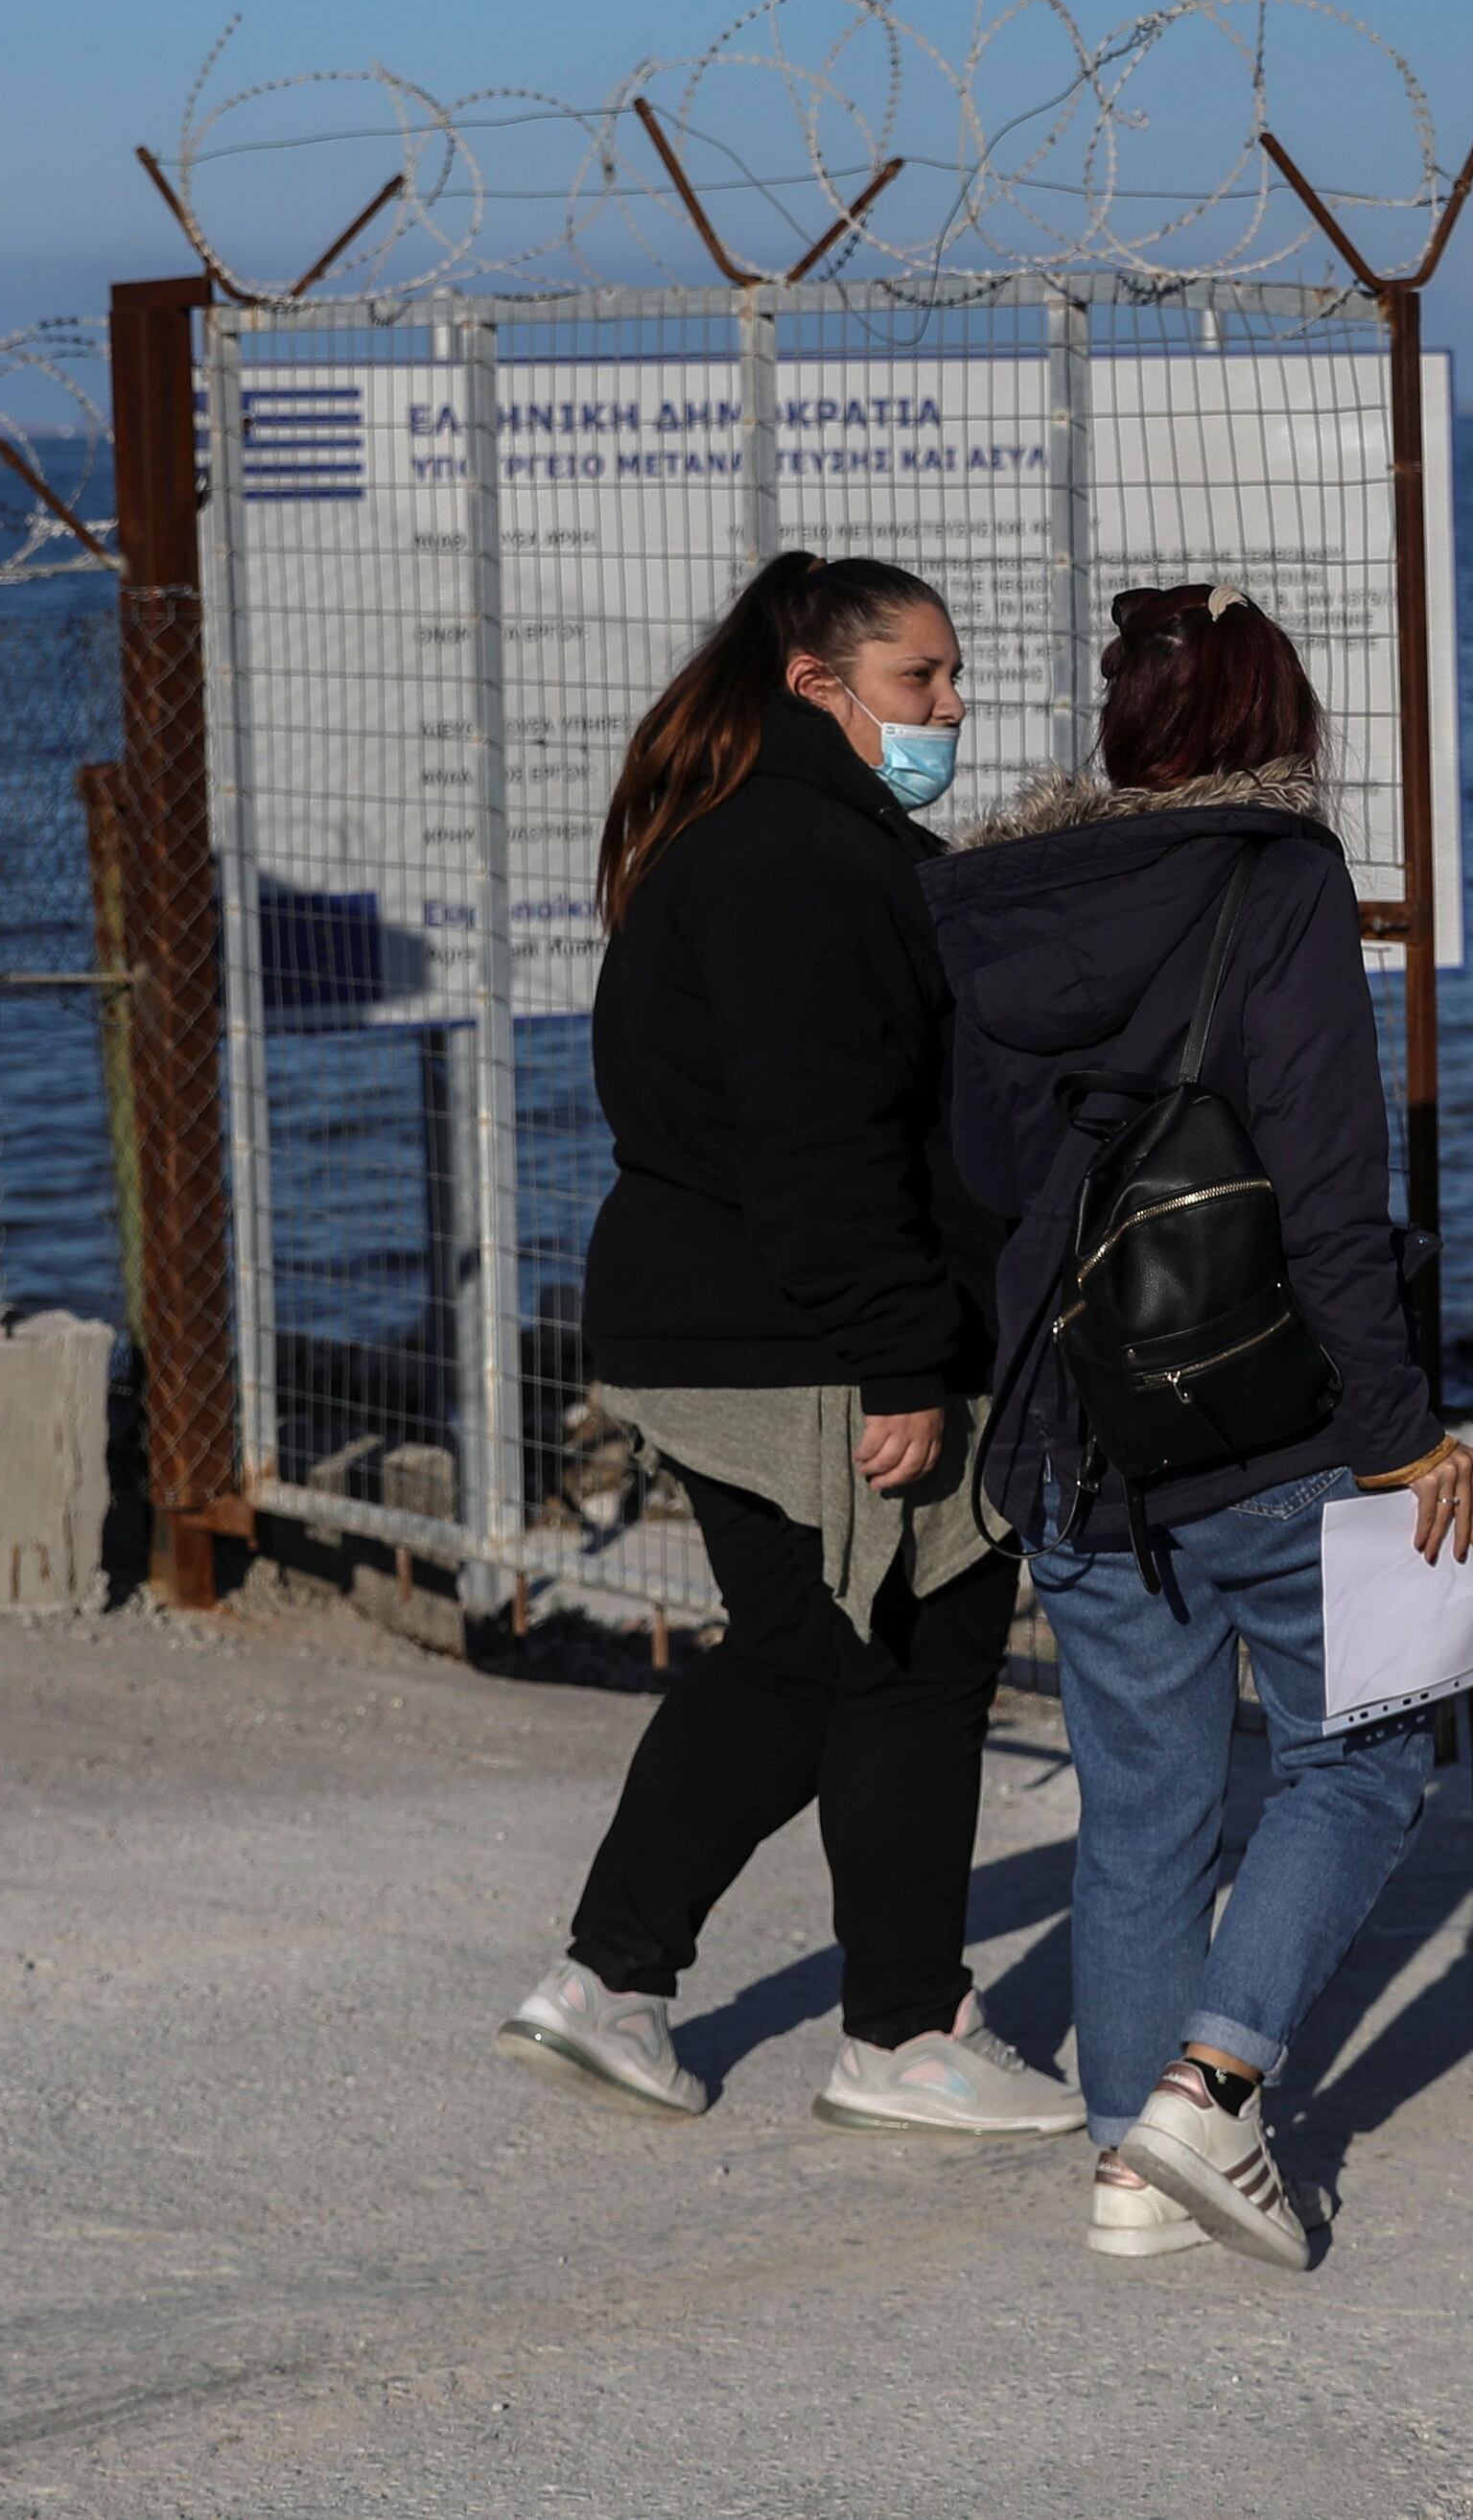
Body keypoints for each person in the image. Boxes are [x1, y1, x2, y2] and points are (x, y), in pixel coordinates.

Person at [931, 584, 1473, 2270]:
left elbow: (981, 1171)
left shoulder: (991, 898)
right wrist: (1400, 1431)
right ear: (1272, 723)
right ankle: (1211, 2084)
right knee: (1364, 1754)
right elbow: (1328, 1184)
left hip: (1068, 1422)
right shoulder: (1278, 875)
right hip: (1259, 1418)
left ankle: (1126, 2166)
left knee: (1143, 1800)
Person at [496, 551, 1077, 2139]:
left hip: (728, 1320)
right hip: (808, 1339)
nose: (953, 706)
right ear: (817, 683)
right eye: (920, 679)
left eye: (954, 677)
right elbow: (823, 1139)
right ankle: (902, 2032)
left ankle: (611, 1979)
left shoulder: (750, 833)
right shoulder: (805, 862)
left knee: (803, 1651)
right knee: (912, 1654)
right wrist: (903, 1360)